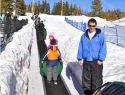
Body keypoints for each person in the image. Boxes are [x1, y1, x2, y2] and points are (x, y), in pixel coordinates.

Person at [77, 18, 107, 95]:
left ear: (95, 26)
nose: (91, 27)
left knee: (96, 80)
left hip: (96, 61)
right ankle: (87, 93)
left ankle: (96, 93)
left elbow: (103, 47)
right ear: (88, 25)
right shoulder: (84, 36)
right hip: (86, 60)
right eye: (90, 25)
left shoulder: (100, 36)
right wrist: (80, 58)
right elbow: (81, 47)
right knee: (86, 79)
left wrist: (101, 59)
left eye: (93, 26)